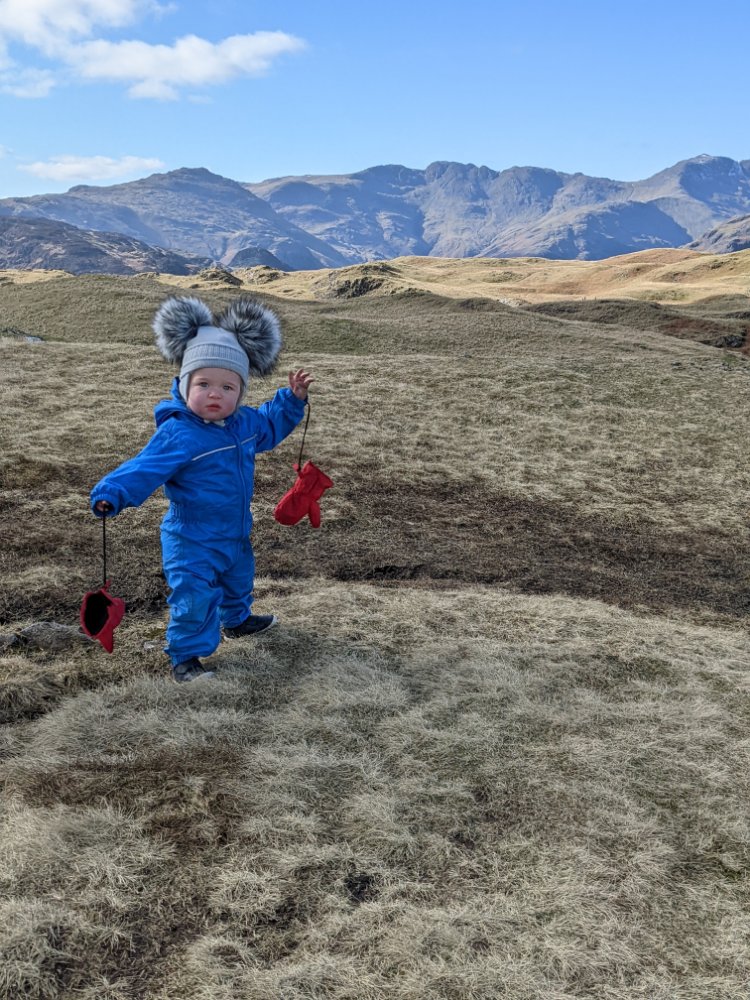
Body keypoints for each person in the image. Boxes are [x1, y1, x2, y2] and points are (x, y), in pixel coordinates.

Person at [90, 295, 313, 683]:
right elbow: (144, 467)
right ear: (184, 385)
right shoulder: (179, 433)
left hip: (234, 529)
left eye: (228, 386)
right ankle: (186, 657)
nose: (215, 394)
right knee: (193, 596)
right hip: (190, 537)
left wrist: (291, 401)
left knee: (237, 579)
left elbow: (269, 424)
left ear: (240, 392)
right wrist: (112, 492)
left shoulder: (244, 424)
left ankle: (237, 620)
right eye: (204, 384)